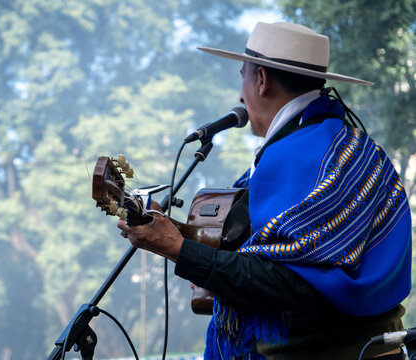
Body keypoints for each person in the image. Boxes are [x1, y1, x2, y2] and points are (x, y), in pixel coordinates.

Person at [117, 22, 412, 360]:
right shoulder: (344, 144)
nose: (240, 96)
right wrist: (182, 244)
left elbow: (289, 281)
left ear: (261, 80)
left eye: (243, 76)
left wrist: (176, 247)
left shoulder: (301, 153)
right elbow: (277, 259)